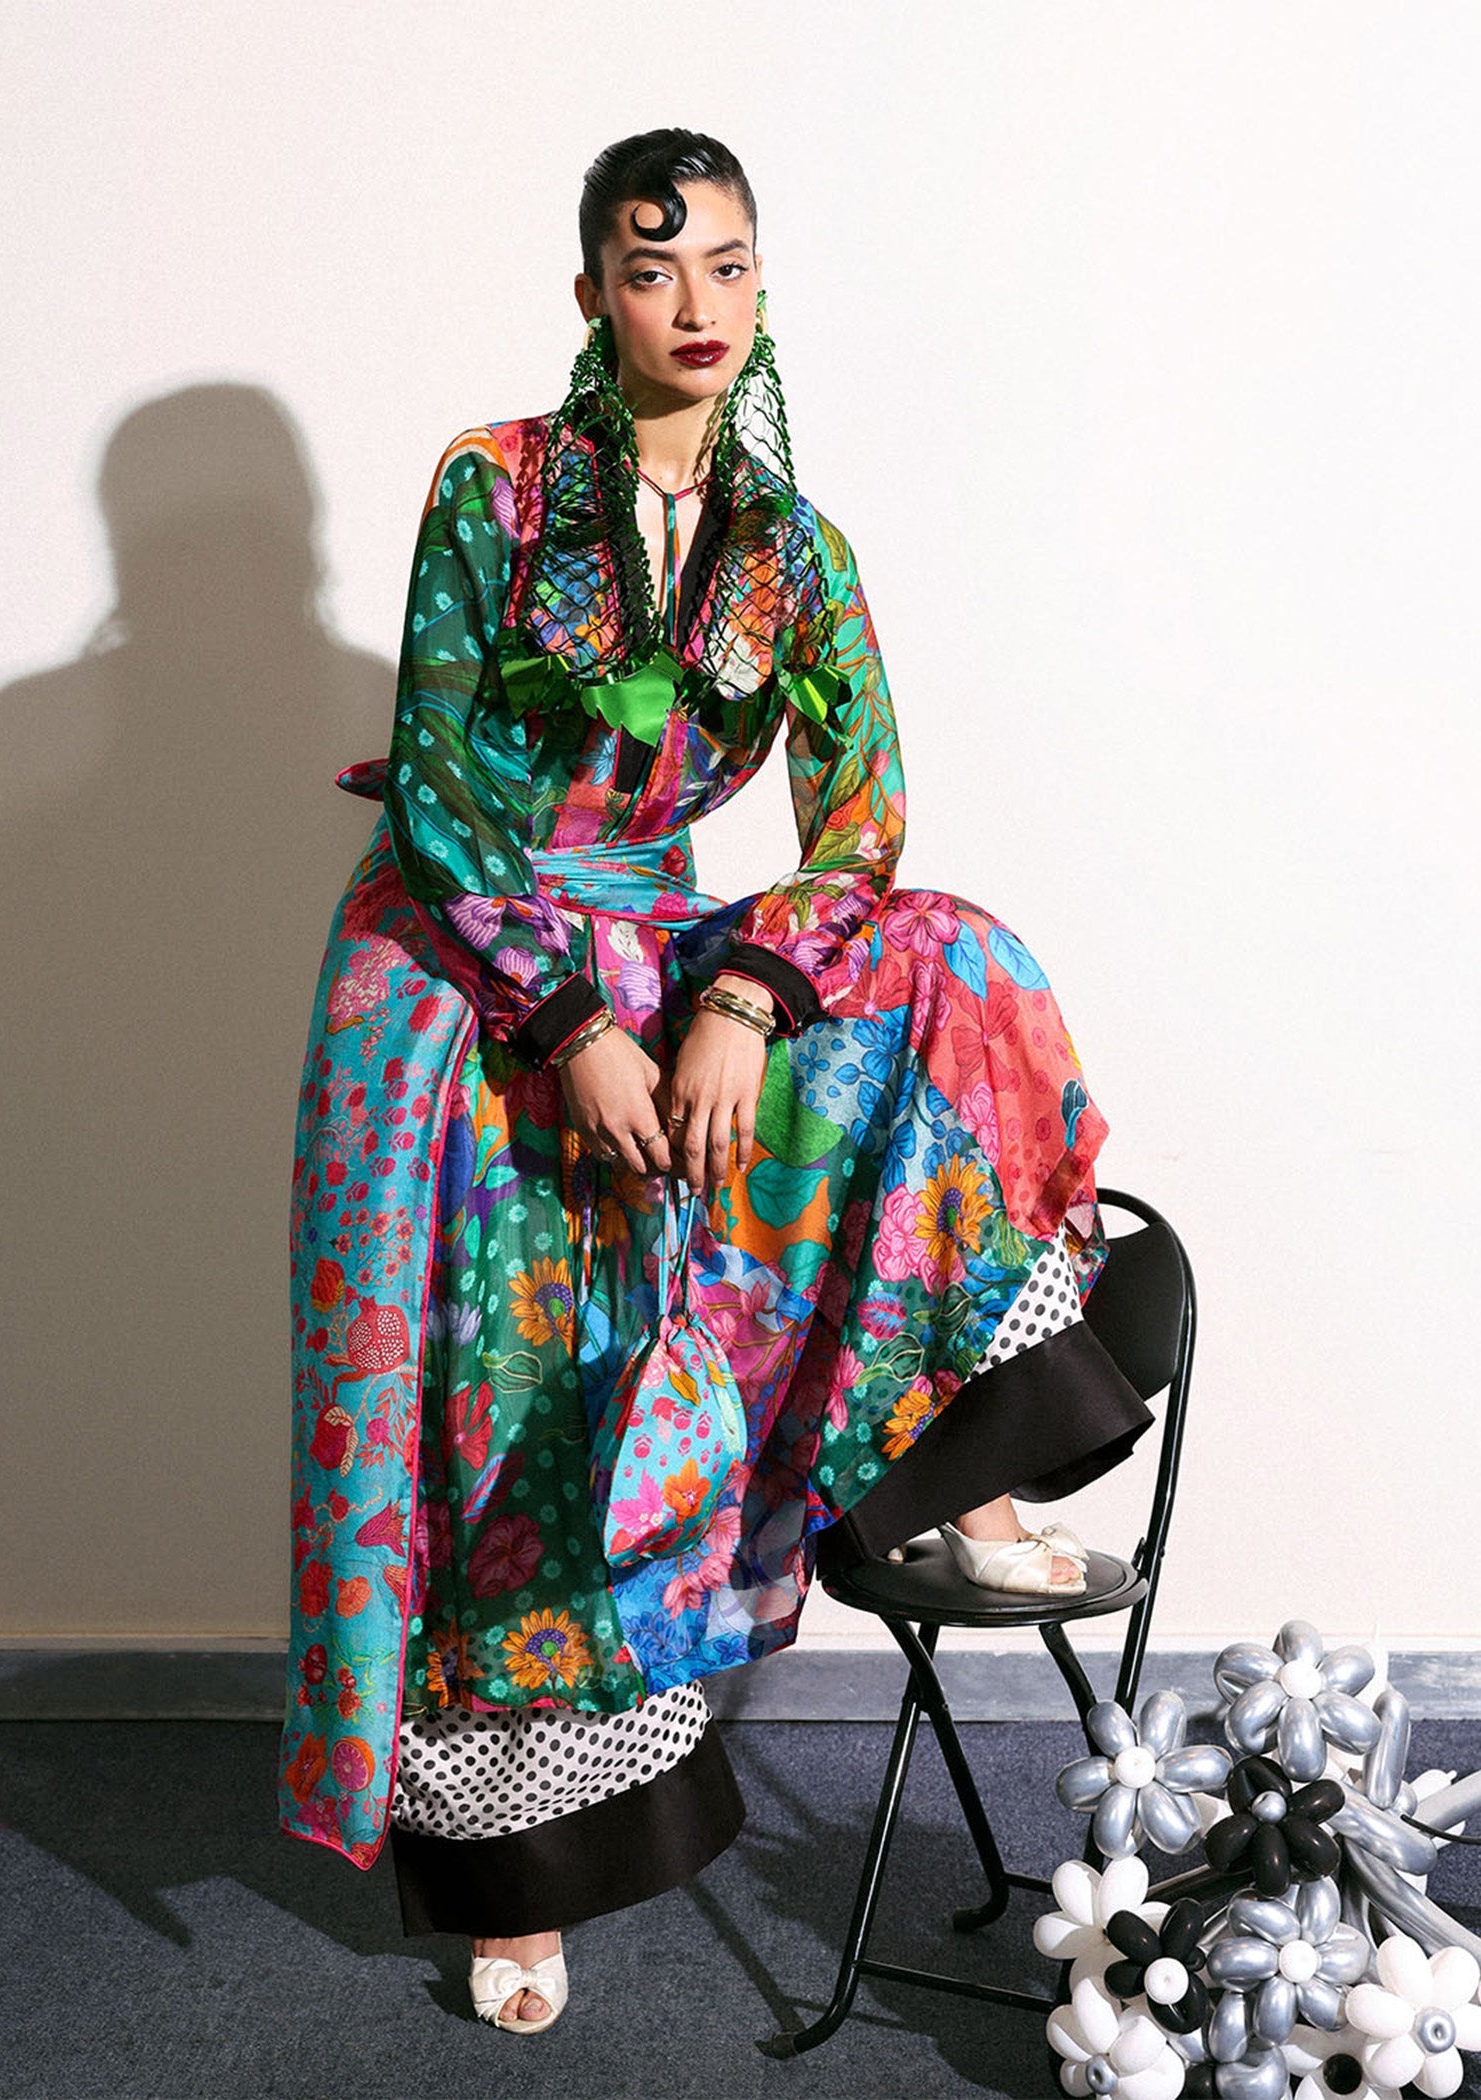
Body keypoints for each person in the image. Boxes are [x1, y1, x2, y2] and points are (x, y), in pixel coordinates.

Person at [276, 127, 1154, 2034]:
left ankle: (948, 1460)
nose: (696, 304)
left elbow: (863, 818)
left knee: (949, 954)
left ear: (764, 285)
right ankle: (519, 1882)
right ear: (593, 289)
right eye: (654, 267)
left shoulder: (793, 547)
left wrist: (739, 1000)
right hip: (472, 954)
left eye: (729, 267)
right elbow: (437, 789)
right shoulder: (496, 487)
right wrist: (569, 1025)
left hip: (669, 939)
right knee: (521, 1369)